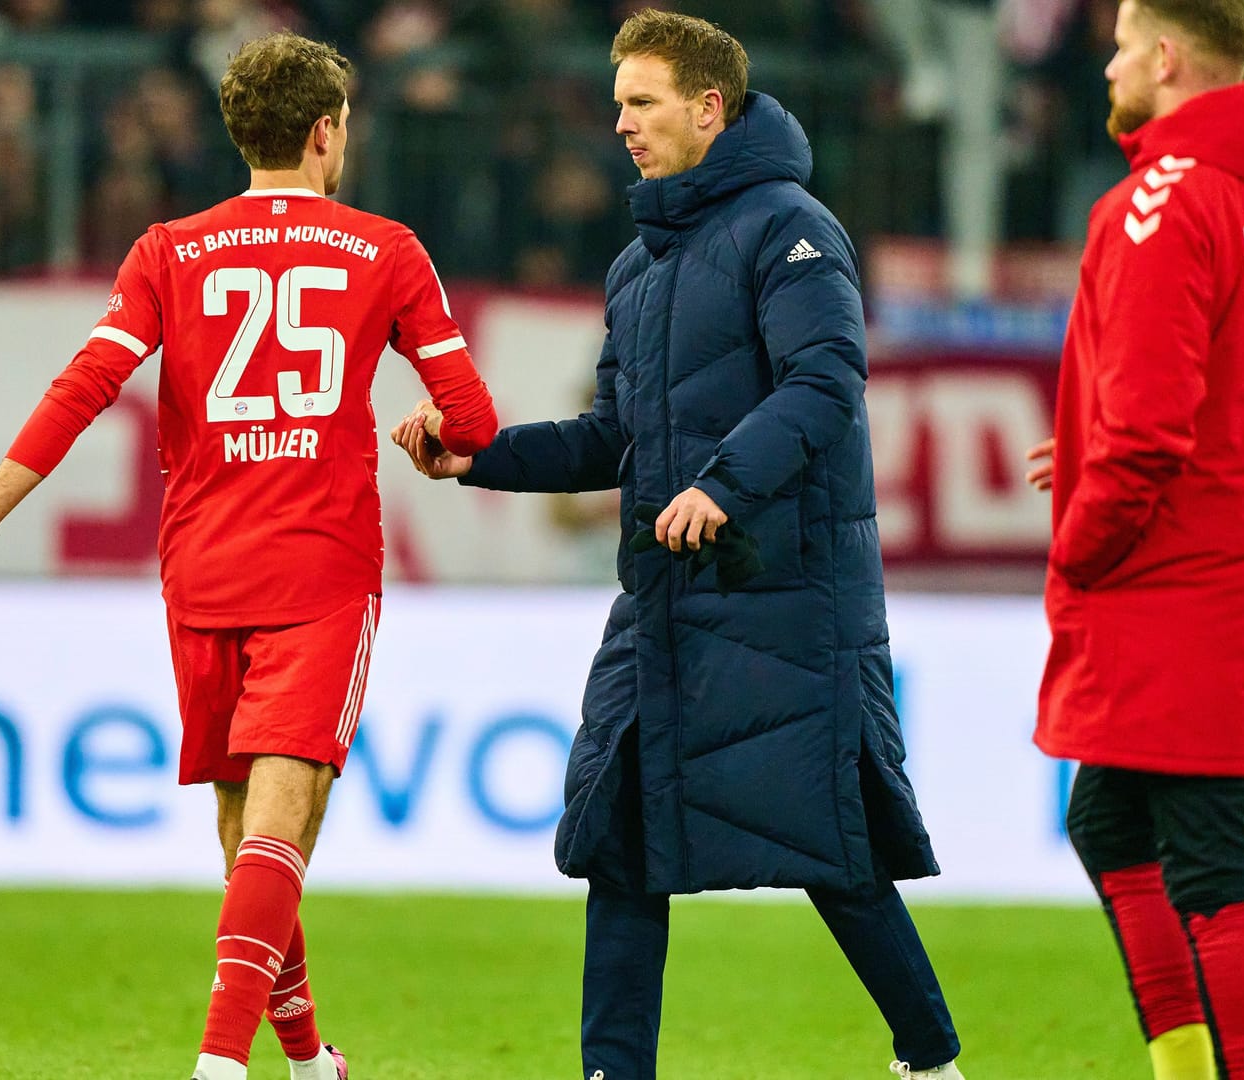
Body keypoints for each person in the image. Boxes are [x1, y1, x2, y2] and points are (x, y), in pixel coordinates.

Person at [391, 10, 963, 1079]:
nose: (622, 125)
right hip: (662, 603)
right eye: (617, 105)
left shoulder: (794, 227)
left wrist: (723, 487)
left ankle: (931, 1060)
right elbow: (613, 436)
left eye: (642, 103)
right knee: (620, 843)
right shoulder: (639, 270)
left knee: (835, 855)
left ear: (709, 108)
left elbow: (825, 384)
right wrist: (482, 458)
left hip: (785, 598)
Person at [0, 33, 498, 1080]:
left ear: (244, 134)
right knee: (285, 826)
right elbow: (473, 418)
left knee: (249, 839)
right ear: (327, 133)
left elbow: (81, 390)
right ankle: (219, 1067)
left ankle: (308, 1061)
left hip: (202, 570)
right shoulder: (388, 250)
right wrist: (431, 440)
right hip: (320, 570)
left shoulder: (166, 250)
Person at [1027, 2, 1244, 1078]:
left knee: (1215, 865)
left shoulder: (1156, 207)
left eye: (1122, 45)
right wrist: (1084, 447)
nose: (1110, 65)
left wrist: (1080, 539)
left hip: (1185, 575)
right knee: (1110, 823)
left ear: (1167, 57)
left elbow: (1150, 432)